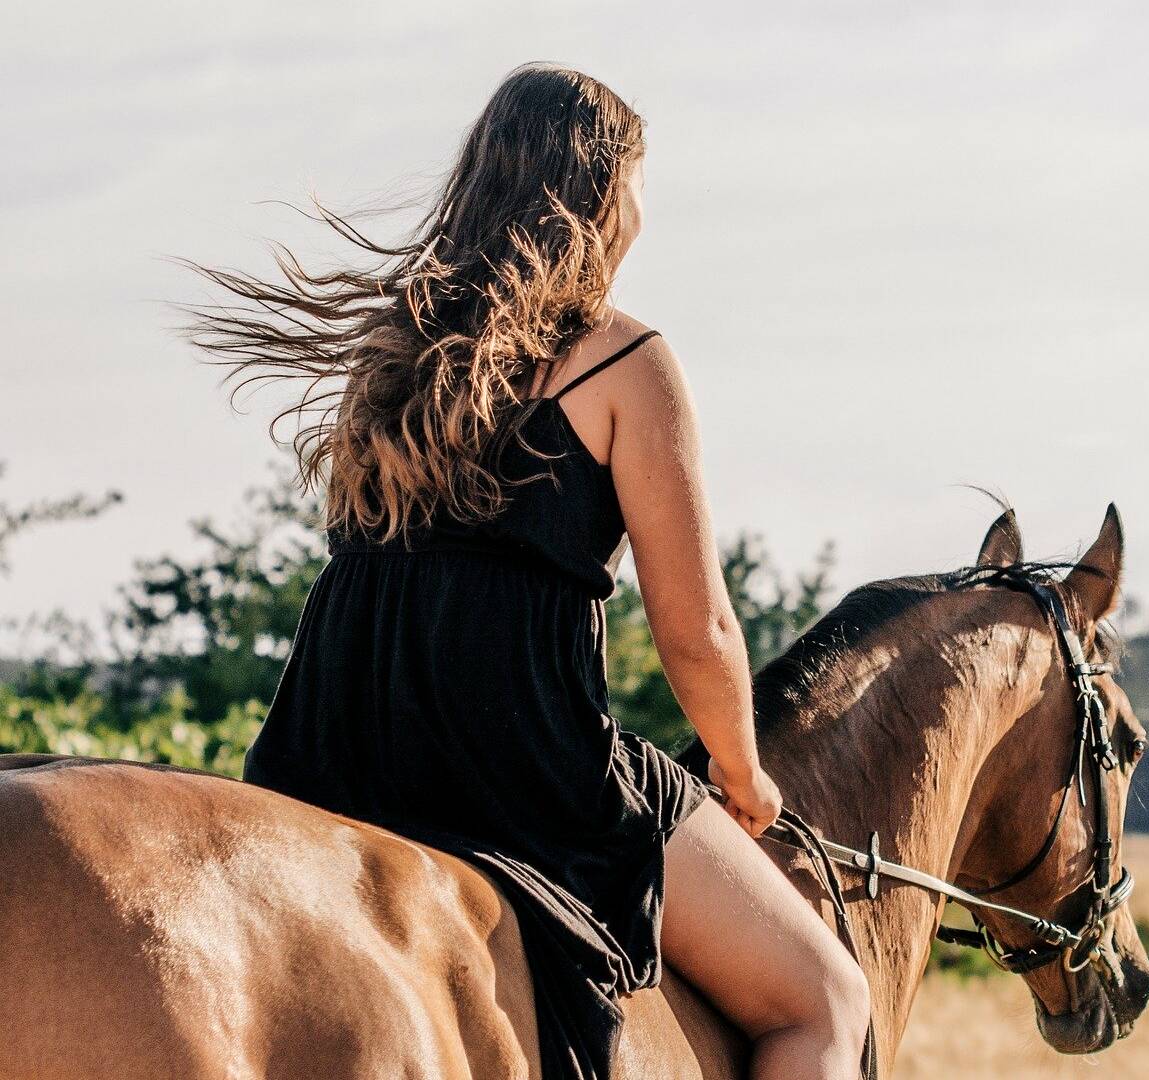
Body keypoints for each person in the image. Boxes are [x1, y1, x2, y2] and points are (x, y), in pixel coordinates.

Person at [176, 62, 871, 1080]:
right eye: (636, 183)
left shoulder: (392, 349)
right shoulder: (620, 360)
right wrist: (741, 767)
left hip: (340, 745)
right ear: (598, 191)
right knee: (823, 999)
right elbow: (698, 631)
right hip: (520, 761)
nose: (641, 211)